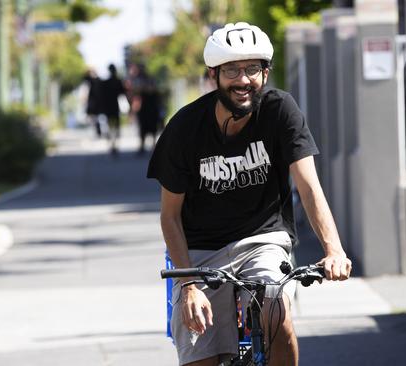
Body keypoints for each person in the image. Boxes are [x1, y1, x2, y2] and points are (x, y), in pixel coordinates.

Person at [147, 22, 352, 366]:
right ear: (213, 75)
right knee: (200, 348)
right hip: (201, 250)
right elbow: (170, 216)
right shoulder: (184, 129)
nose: (243, 80)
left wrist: (333, 249)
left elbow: (309, 186)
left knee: (274, 308)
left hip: (263, 240)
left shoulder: (280, 110)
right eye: (231, 70)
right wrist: (188, 287)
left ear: (265, 73)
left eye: (252, 69)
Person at [101, 64, 129, 156]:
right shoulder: (117, 81)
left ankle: (113, 144)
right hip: (113, 106)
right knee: (115, 126)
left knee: (112, 126)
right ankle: (113, 144)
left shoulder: (108, 82)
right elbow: (123, 92)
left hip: (110, 107)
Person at [83, 68, 103, 138]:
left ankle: (99, 132)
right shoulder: (90, 81)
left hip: (97, 103)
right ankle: (98, 132)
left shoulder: (98, 80)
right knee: (94, 118)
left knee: (98, 118)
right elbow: (85, 78)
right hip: (93, 103)